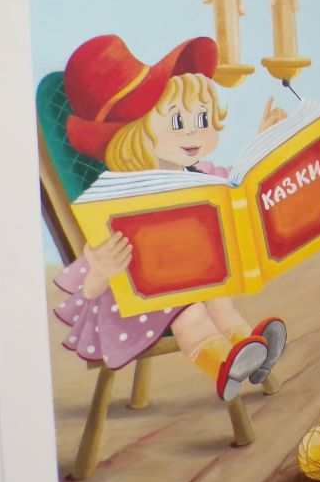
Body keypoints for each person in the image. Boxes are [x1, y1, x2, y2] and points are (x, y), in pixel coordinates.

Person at [52, 34, 289, 401]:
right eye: (178, 120)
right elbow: (93, 270)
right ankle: (224, 365)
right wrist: (99, 268)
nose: (193, 131)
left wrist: (263, 142)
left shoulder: (200, 174)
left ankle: (250, 350)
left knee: (219, 302)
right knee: (192, 315)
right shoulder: (126, 192)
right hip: (144, 297)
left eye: (203, 117)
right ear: (138, 133)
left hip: (196, 278)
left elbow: (238, 186)